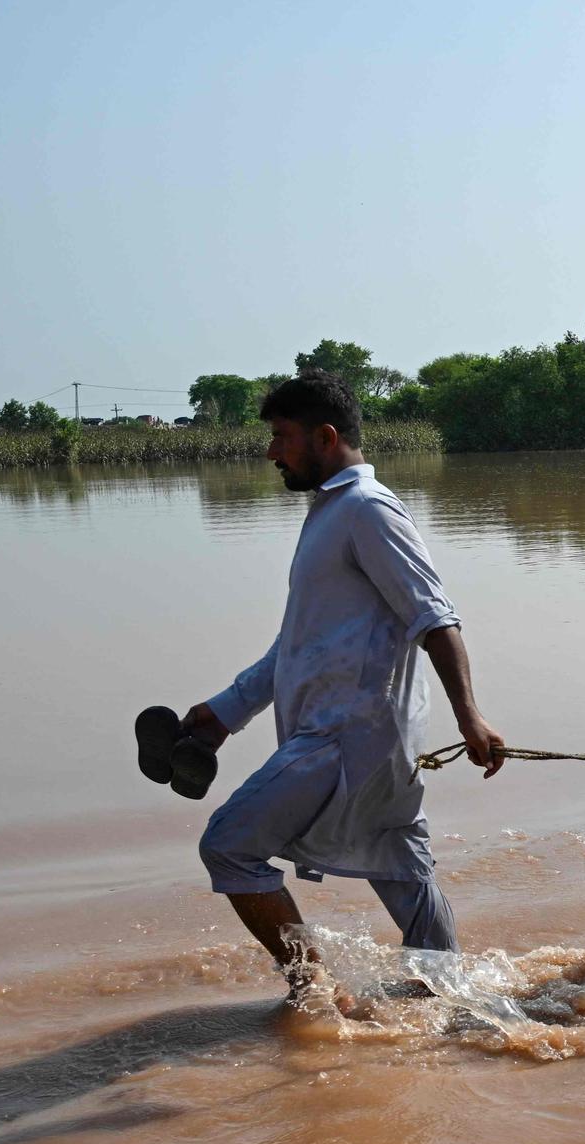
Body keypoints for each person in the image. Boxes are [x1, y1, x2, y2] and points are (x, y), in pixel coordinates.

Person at [178, 370, 508, 1004]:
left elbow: (436, 617)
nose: (272, 452)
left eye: (282, 437)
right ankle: (449, 1004)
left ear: (325, 437)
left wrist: (470, 716)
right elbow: (297, 644)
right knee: (407, 877)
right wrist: (224, 713)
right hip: (364, 739)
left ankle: (316, 994)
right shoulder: (332, 511)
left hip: (344, 735)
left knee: (228, 845)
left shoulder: (368, 510)